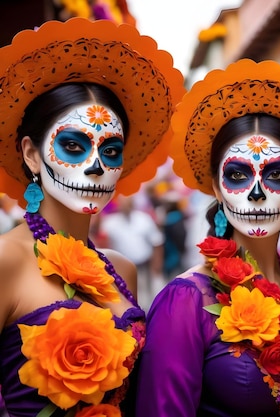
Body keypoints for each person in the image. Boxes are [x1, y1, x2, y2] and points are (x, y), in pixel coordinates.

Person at [135, 59, 280, 416]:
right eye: (238, 175)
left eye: (276, 174)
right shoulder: (185, 301)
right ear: (215, 188)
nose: (256, 193)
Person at [0, 17, 184, 416]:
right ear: (31, 153)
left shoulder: (121, 269)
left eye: (112, 150)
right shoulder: (6, 261)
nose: (97, 165)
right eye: (72, 145)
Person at [100, 194, 165, 308]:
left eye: (128, 202)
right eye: (123, 202)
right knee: (129, 296)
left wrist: (157, 264)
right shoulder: (110, 223)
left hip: (144, 264)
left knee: (148, 294)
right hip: (122, 267)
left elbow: (157, 242)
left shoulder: (143, 218)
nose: (126, 205)